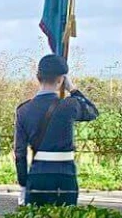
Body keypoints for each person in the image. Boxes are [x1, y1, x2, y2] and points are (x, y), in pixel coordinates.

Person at [14, 54, 99, 206]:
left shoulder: (24, 110)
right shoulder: (70, 105)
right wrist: (73, 89)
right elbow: (92, 112)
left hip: (38, 176)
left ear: (38, 77)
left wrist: (23, 183)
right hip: (65, 175)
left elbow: (19, 153)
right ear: (61, 79)